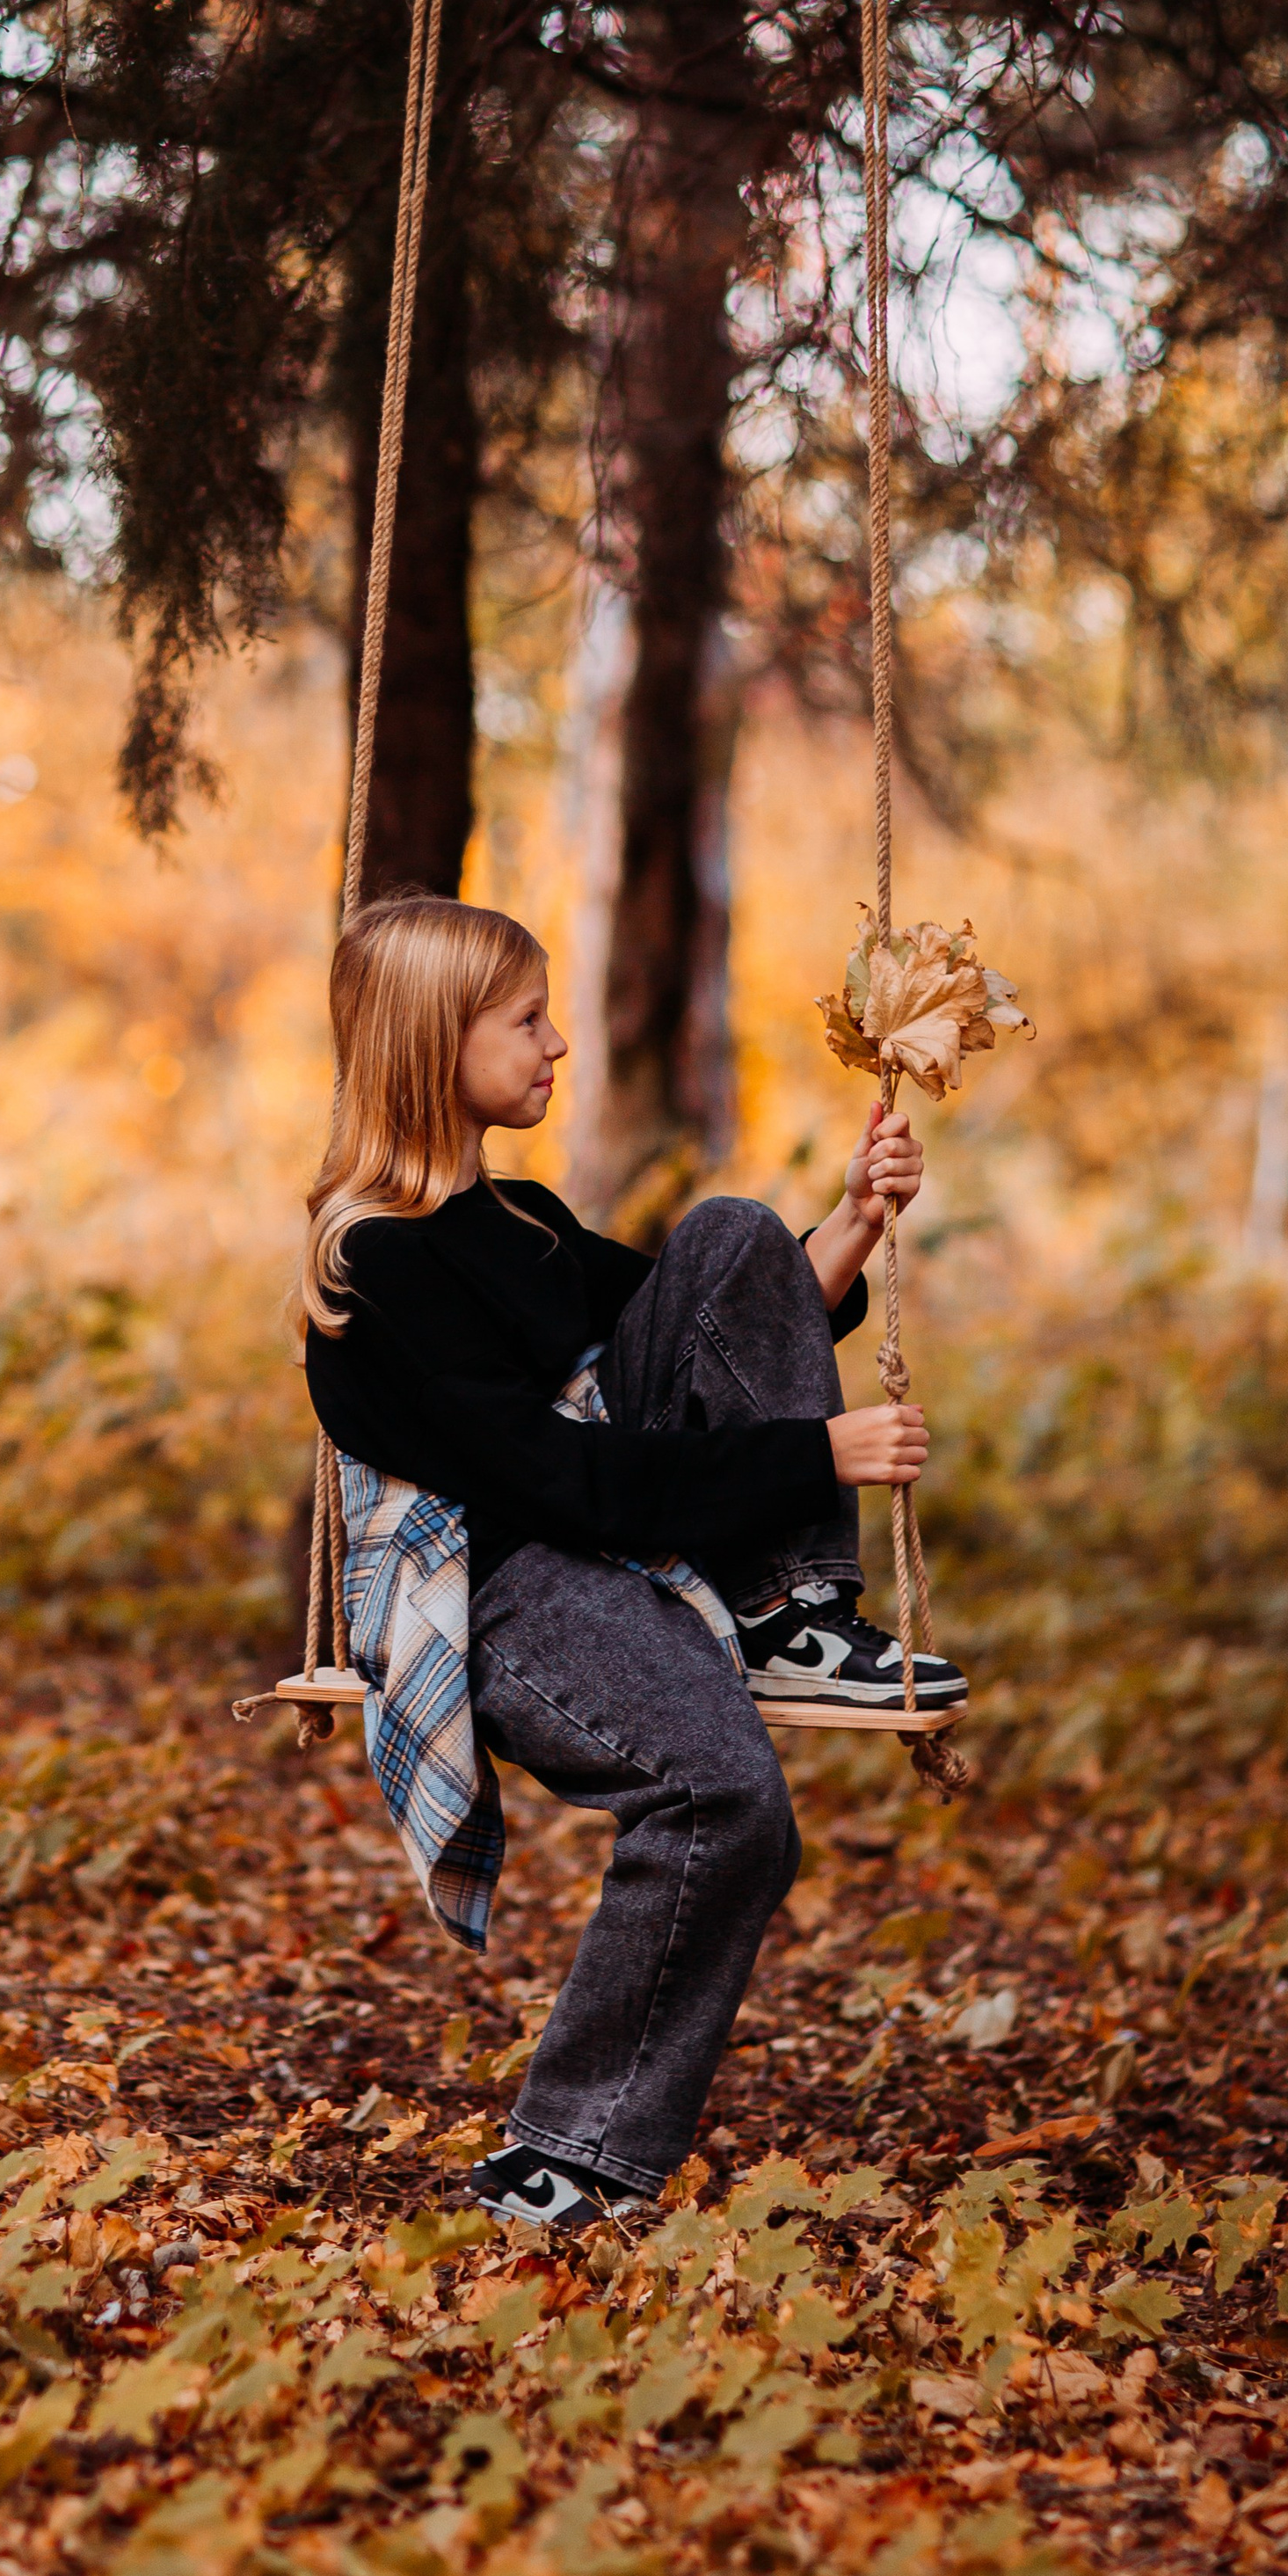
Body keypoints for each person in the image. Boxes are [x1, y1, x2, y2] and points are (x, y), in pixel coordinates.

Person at [302, 894, 957, 2234]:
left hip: (599, 1548)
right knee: (726, 1802)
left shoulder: (525, 1221)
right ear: (436, 1045)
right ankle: (570, 2149)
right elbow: (570, 1484)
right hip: (499, 1589)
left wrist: (849, 1226)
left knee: (732, 1233)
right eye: (527, 1020)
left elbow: (724, 1320)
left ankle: (794, 1613)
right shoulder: (376, 1266)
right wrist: (816, 1457)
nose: (558, 1046)